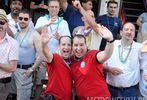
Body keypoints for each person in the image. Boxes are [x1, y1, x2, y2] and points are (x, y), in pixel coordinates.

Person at [71, 23, 114, 99]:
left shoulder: (92, 55)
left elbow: (106, 55)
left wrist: (110, 40)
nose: (78, 48)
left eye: (81, 45)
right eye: (76, 45)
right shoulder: (71, 59)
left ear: (86, 45)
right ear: (72, 46)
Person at [104, 22, 143, 99]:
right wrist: (109, 69)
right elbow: (103, 63)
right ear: (121, 32)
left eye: (132, 30)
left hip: (130, 92)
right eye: (126, 29)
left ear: (134, 34)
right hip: (110, 90)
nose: (129, 32)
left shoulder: (140, 48)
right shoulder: (112, 44)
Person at [11, 9, 42, 100]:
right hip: (13, 71)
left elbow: (41, 55)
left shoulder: (34, 34)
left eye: (25, 19)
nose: (23, 21)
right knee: (12, 96)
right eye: (21, 18)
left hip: (24, 72)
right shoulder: (16, 35)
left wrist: (32, 69)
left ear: (29, 20)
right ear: (17, 19)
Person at [41, 26, 72, 100]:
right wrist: (44, 44)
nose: (66, 47)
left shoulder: (73, 61)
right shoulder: (55, 57)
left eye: (69, 45)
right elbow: (47, 53)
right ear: (59, 46)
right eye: (63, 44)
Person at [0, 9, 19, 100]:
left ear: (7, 24)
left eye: (2, 22)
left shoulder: (13, 43)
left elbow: (12, 67)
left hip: (4, 85)